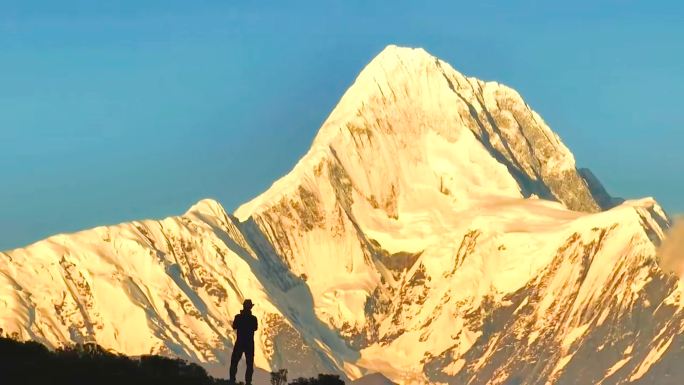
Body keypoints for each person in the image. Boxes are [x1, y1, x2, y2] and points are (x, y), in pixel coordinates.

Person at [229, 299, 258, 385]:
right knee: (249, 364)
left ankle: (232, 380)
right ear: (250, 308)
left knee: (234, 362)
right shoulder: (253, 318)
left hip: (240, 342)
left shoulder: (238, 317)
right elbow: (255, 328)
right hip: (249, 343)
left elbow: (234, 326)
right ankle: (248, 382)